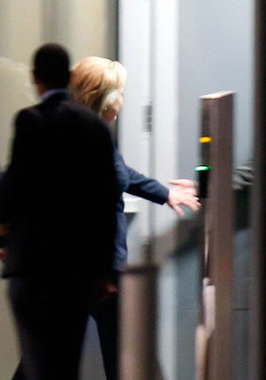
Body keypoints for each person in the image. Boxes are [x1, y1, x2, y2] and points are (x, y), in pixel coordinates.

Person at [67, 56, 200, 380]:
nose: (123, 101)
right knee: (124, 356)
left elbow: (121, 172)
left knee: (63, 353)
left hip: (91, 265)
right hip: (95, 266)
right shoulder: (81, 138)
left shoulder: (88, 133)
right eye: (120, 93)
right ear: (103, 98)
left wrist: (164, 193)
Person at [0, 43, 118, 380]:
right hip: (75, 271)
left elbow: (14, 187)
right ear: (67, 77)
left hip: (32, 266)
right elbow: (105, 201)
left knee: (35, 358)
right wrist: (104, 270)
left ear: (36, 79)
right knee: (65, 362)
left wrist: (2, 230)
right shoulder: (94, 128)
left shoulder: (30, 121)